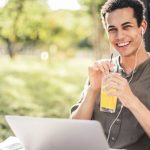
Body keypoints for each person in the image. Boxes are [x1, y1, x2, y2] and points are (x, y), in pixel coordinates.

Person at [70, 0, 150, 149]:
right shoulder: (102, 71)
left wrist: (131, 101)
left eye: (127, 27)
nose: (120, 36)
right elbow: (73, 132)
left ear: (142, 27)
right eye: (112, 29)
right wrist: (92, 90)